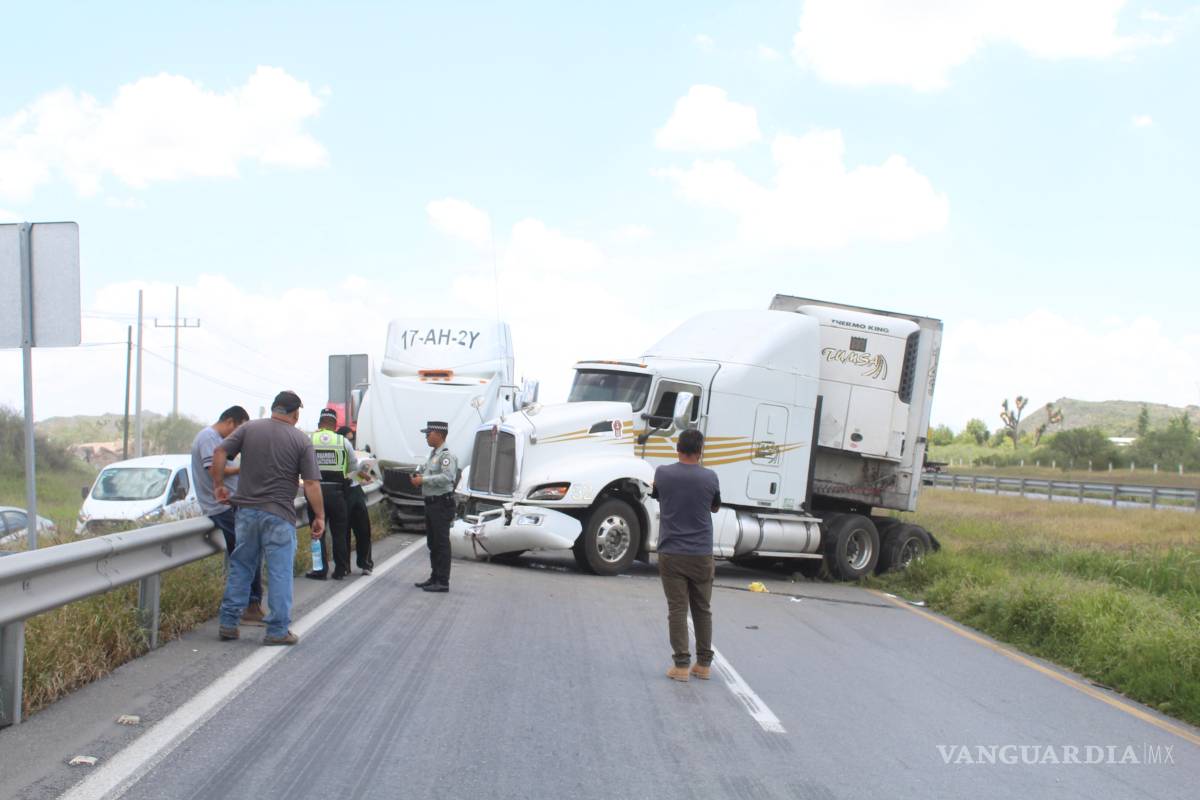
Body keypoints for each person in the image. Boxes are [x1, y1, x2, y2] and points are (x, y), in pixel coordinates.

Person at [213, 390, 324, 646]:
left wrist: (219, 485)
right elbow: (310, 483)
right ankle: (277, 630)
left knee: (241, 566)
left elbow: (220, 452)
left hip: (246, 513)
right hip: (279, 515)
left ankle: (228, 623)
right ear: (296, 413)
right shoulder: (300, 440)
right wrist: (319, 515)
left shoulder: (248, 429)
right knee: (279, 572)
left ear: (275, 408)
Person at [651, 428, 721, 682]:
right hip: (701, 553)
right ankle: (703, 665)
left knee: (678, 609)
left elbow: (656, 495)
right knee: (702, 608)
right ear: (700, 451)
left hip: (671, 552)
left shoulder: (662, 473)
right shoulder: (710, 477)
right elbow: (714, 506)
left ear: (677, 448)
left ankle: (681, 666)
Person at [190, 405, 264, 623]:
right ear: (231, 422)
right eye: (238, 430)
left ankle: (249, 605)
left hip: (228, 504)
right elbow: (214, 470)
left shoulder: (215, 439)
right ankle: (249, 605)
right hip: (221, 506)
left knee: (247, 553)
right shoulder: (208, 437)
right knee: (246, 555)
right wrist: (245, 468)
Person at [305, 409, 358, 580]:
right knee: (339, 532)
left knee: (316, 532)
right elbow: (353, 466)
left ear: (319, 424)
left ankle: (319, 570)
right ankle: (340, 569)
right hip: (337, 492)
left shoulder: (309, 440)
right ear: (335, 426)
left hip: (315, 492)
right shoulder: (343, 441)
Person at [411, 421, 458, 593]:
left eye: (428, 433)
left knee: (441, 543)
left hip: (441, 504)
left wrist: (423, 480)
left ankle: (443, 581)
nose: (426, 437)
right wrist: (419, 478)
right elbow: (429, 474)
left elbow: (447, 477)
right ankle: (435, 577)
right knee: (433, 543)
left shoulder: (446, 456)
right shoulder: (433, 455)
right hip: (431, 503)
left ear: (439, 434)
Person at [339, 425, 374, 575]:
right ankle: (344, 565)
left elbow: (355, 473)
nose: (350, 442)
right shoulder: (338, 451)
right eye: (348, 439)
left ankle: (365, 563)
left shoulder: (354, 452)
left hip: (356, 490)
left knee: (363, 529)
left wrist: (364, 476)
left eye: (352, 440)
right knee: (343, 531)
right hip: (343, 492)